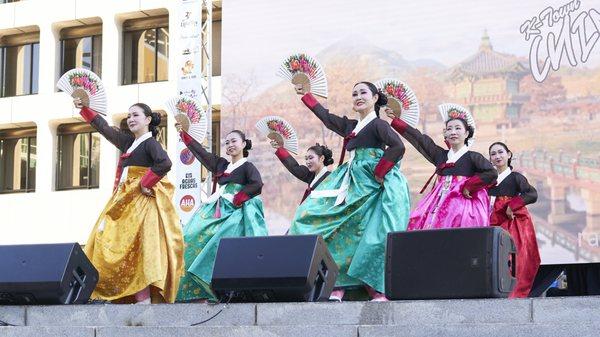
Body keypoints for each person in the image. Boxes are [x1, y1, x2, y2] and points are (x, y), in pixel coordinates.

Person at [289, 82, 411, 301]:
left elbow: (398, 147)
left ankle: (375, 287)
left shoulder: (378, 125)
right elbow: (327, 118)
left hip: (370, 182)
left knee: (372, 233)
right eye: (354, 94)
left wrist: (381, 171)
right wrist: (306, 95)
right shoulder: (352, 126)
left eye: (363, 92)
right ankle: (338, 283)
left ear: (375, 98)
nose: (358, 97)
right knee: (330, 223)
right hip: (349, 179)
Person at [76, 99, 184, 304]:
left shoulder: (150, 143)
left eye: (135, 115)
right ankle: (131, 295)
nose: (130, 119)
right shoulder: (128, 142)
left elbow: (165, 163)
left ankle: (143, 298)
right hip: (124, 202)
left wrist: (145, 183)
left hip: (141, 204)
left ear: (148, 120)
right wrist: (84, 109)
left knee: (138, 247)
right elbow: (106, 129)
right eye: (129, 115)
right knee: (113, 242)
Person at [176, 126, 268, 302]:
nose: (230, 145)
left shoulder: (248, 166)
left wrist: (239, 197)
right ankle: (197, 289)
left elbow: (257, 184)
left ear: (243, 144)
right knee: (190, 235)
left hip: (235, 212)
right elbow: (202, 154)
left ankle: (224, 287)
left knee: (222, 243)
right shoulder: (222, 165)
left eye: (234, 141)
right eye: (227, 142)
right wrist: (185, 136)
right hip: (216, 209)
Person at [387, 105, 497, 230]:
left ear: (466, 133)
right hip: (437, 202)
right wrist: (397, 121)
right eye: (449, 129)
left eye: (457, 128)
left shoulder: (473, 157)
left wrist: (469, 186)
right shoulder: (440, 155)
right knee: (419, 220)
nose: (453, 132)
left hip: (461, 206)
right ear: (445, 134)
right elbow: (420, 139)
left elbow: (491, 173)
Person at [488, 141, 540, 298]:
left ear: (508, 154)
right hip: (491, 221)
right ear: (490, 159)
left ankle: (515, 293)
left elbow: (532, 194)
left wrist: (513, 205)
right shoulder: (489, 180)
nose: (497, 156)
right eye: (493, 154)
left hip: (512, 221)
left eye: (500, 152)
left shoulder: (516, 177)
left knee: (515, 258)